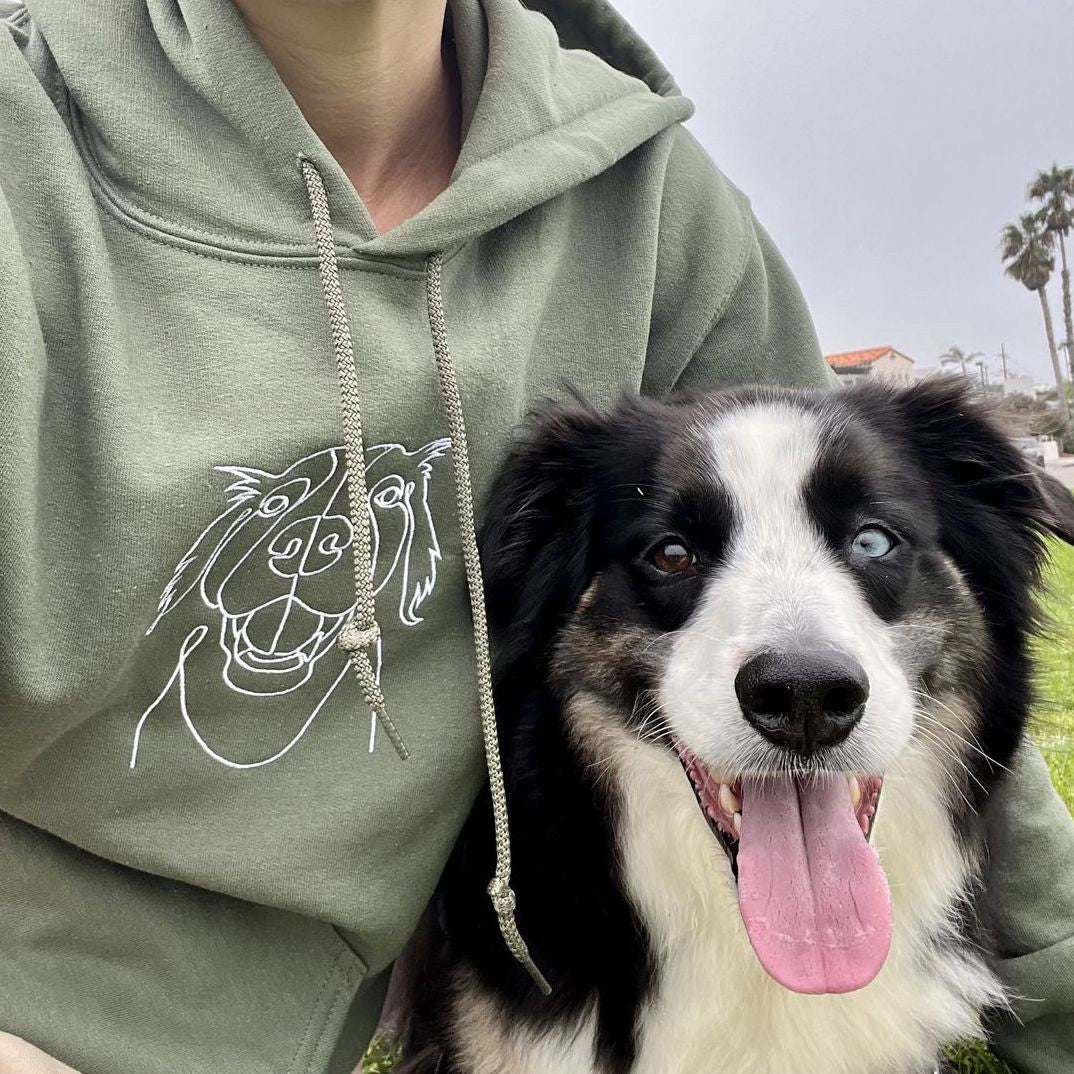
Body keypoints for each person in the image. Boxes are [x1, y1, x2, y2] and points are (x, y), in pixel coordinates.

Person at [0, 0, 1071, 1071]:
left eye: (871, 546)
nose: (806, 661)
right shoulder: (25, 146)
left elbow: (906, 650)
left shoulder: (653, 202)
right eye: (672, 555)